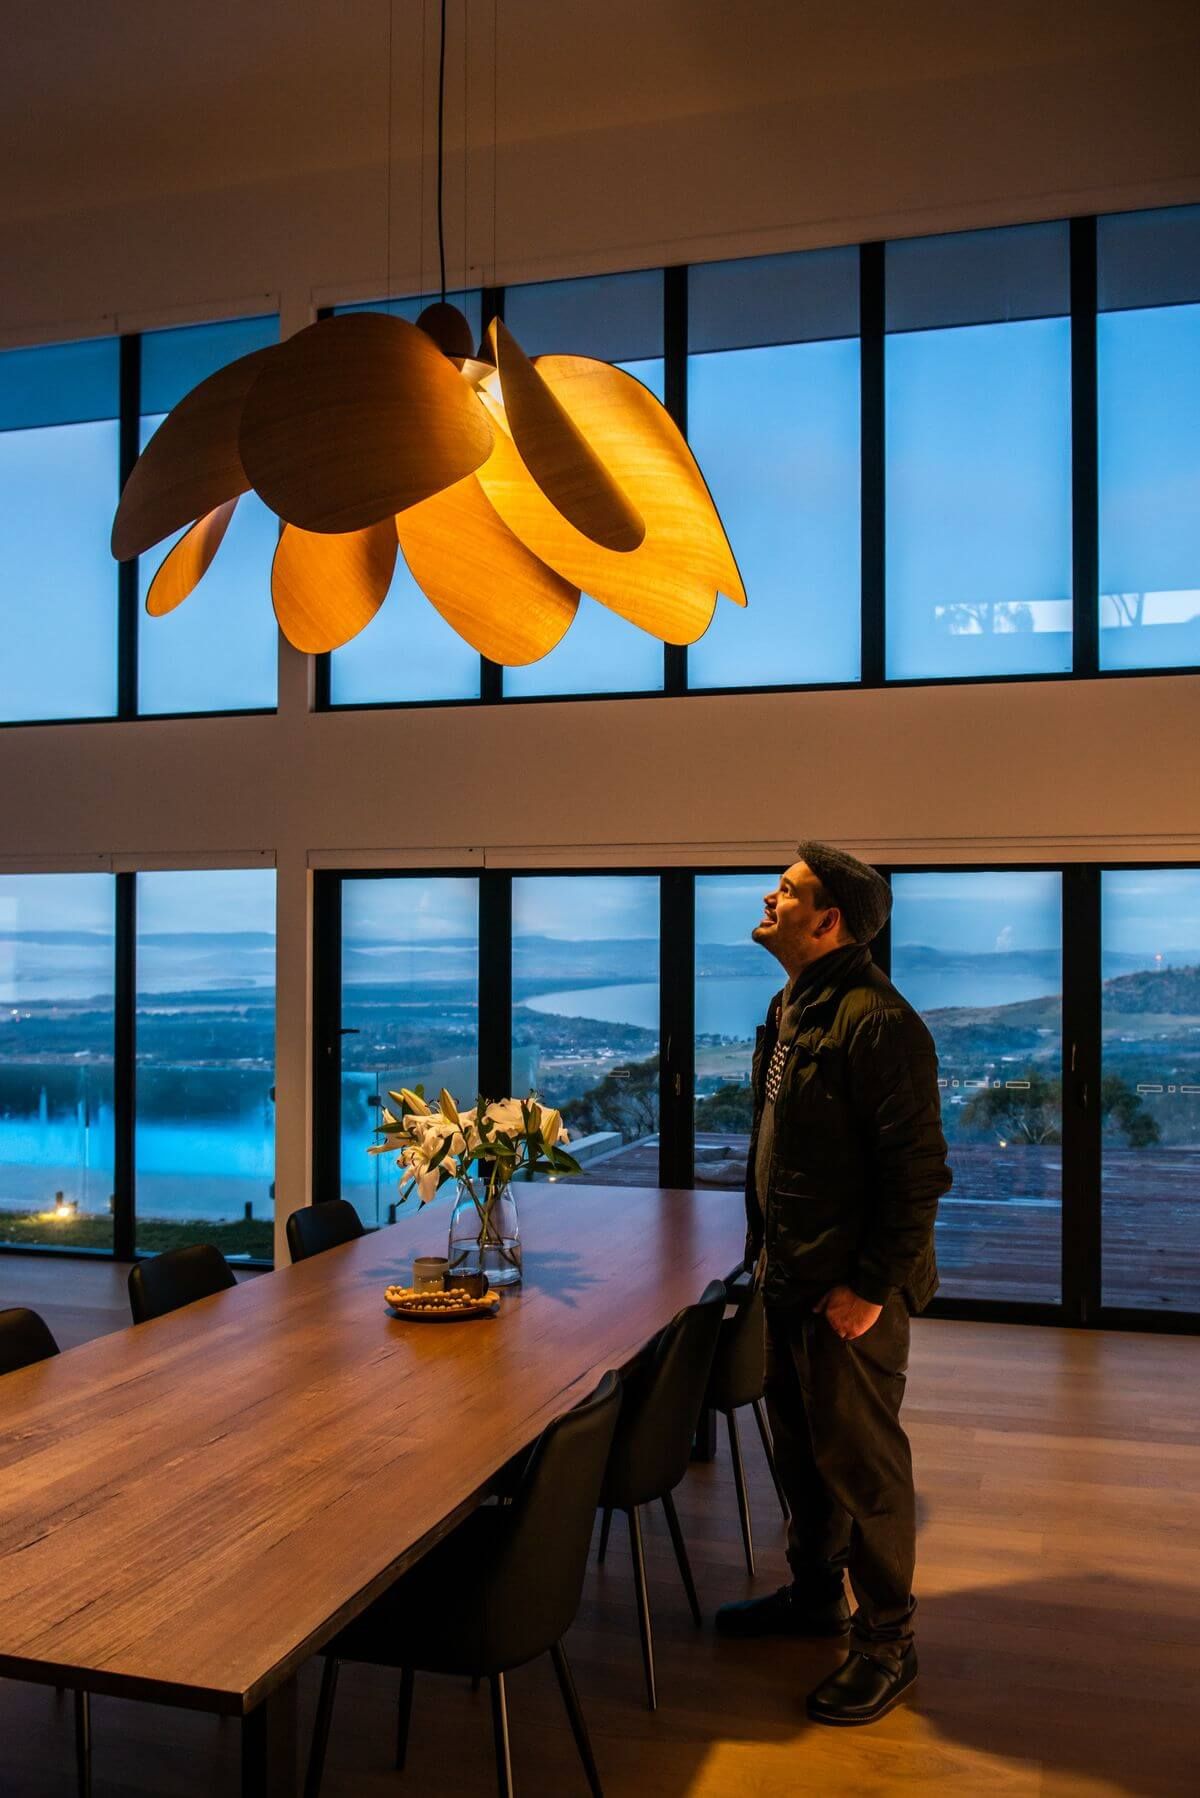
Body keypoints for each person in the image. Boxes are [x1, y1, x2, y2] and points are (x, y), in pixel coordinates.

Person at [715, 842, 951, 1726]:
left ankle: (888, 1643)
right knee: (800, 1453)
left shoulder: (878, 1022)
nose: (768, 897)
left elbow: (917, 1174)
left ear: (829, 920)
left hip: (845, 1293)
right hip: (790, 1276)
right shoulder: (791, 1007)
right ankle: (817, 1594)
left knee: (864, 1465)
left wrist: (871, 1288)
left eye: (788, 890)